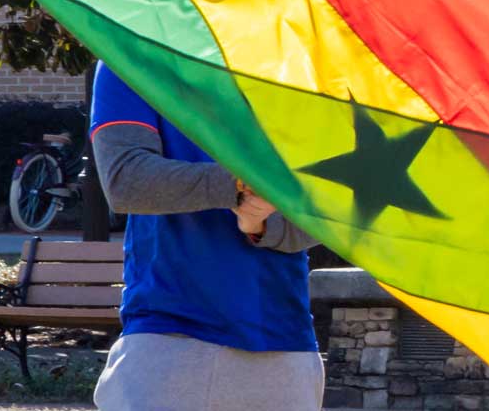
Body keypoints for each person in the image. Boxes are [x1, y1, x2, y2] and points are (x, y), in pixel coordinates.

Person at [87, 62, 323, 410]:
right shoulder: (133, 52)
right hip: (169, 338)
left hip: (285, 343)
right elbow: (126, 180)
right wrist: (242, 187)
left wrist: (261, 225)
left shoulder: (297, 63)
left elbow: (325, 211)